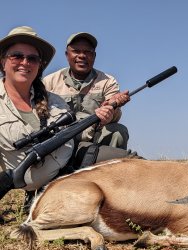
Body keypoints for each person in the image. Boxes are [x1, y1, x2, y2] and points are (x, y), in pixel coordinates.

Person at [0, 26, 122, 207]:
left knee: (128, 161)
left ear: (39, 65)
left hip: (67, 167)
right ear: (3, 62)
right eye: (17, 56)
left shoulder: (55, 100)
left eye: (32, 58)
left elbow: (71, 133)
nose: (25, 63)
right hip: (29, 176)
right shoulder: (52, 81)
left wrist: (103, 116)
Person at [43, 32, 136, 165]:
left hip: (94, 137)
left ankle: (109, 179)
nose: (82, 56)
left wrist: (111, 110)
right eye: (76, 51)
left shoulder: (108, 81)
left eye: (88, 52)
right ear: (66, 55)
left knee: (118, 131)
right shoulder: (49, 81)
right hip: (61, 139)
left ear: (94, 56)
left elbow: (113, 115)